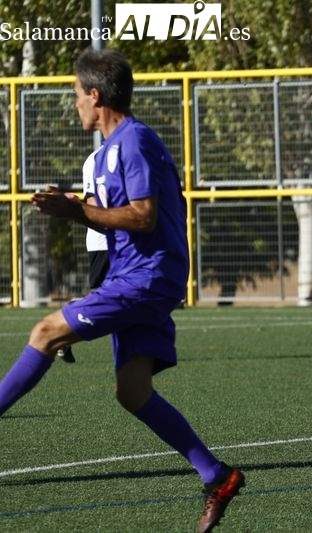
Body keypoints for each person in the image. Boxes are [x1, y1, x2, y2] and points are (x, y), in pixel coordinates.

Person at [0, 48, 243, 533]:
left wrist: (76, 213)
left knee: (46, 332)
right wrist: (72, 203)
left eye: (76, 96)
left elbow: (142, 215)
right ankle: (217, 475)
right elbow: (113, 210)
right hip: (131, 274)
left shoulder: (134, 142)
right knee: (133, 392)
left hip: (146, 276)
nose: (75, 106)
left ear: (95, 95)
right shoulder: (109, 151)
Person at [56, 147, 109, 364]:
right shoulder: (96, 159)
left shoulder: (136, 149)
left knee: (121, 298)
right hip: (104, 241)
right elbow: (91, 203)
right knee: (104, 301)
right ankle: (63, 328)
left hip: (131, 240)